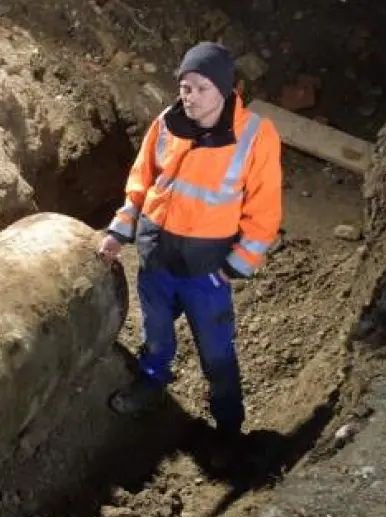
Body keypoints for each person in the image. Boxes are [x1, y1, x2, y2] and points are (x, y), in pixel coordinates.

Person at [98, 42, 283, 462]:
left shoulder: (254, 135)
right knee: (156, 334)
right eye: (185, 86)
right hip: (157, 258)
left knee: (216, 350)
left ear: (224, 89)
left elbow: (265, 208)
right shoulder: (166, 123)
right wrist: (119, 232)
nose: (190, 96)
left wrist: (235, 266)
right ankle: (150, 383)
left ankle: (229, 425)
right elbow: (141, 182)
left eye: (201, 87)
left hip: (205, 271)